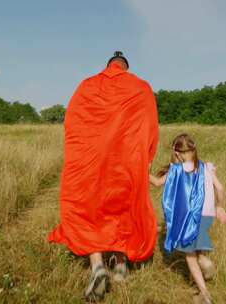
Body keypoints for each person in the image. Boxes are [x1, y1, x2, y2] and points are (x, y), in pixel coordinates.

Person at [48, 51, 159, 301]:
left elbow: (72, 123)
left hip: (92, 161)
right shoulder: (140, 88)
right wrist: (147, 158)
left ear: (108, 66)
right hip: (126, 161)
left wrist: (78, 156)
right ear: (126, 67)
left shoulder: (87, 86)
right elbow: (150, 126)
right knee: (124, 207)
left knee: (89, 209)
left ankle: (98, 266)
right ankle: (120, 266)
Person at [149, 133, 226, 304]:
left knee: (190, 257)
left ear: (177, 153)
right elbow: (220, 188)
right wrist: (220, 206)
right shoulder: (206, 167)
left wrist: (142, 170)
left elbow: (156, 182)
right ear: (194, 150)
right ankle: (205, 260)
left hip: (188, 218)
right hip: (207, 214)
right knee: (200, 247)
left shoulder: (175, 170)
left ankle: (205, 294)